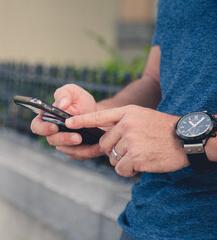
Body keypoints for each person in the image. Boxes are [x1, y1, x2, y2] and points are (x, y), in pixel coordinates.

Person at [30, 1, 217, 239]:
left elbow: (172, 131)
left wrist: (185, 138)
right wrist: (99, 115)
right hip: (145, 219)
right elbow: (155, 81)